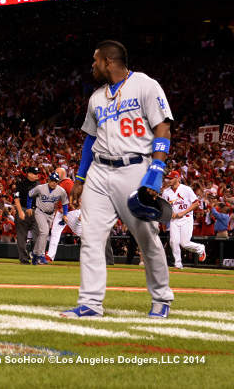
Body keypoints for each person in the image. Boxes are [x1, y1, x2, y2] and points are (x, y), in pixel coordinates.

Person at [63, 40, 174, 319]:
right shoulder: (96, 98)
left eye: (95, 60)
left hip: (135, 168)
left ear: (108, 62)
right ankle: (90, 303)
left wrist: (157, 167)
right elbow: (90, 139)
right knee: (91, 237)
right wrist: (79, 176)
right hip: (99, 172)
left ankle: (161, 298)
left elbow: (163, 126)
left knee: (146, 237)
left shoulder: (145, 85)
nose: (92, 65)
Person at [161, 171, 206, 269]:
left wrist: (183, 212)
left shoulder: (186, 189)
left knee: (184, 243)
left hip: (186, 218)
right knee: (173, 242)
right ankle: (178, 264)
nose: (169, 180)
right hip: (174, 220)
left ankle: (200, 248)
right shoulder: (166, 192)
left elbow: (196, 203)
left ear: (177, 178)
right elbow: (165, 206)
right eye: (169, 178)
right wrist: (169, 213)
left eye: (172, 178)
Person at [27, 171, 69, 265]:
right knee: (44, 232)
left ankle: (34, 253)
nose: (54, 182)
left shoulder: (61, 190)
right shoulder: (40, 188)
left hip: (51, 214)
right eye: (52, 180)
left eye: (56, 181)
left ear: (58, 182)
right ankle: (41, 255)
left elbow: (65, 203)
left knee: (43, 234)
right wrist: (29, 207)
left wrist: (65, 214)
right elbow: (30, 195)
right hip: (40, 212)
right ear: (48, 180)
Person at [47, 168, 81, 261]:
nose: (56, 174)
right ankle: (50, 256)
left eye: (58, 173)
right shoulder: (58, 184)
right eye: (55, 172)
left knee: (81, 233)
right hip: (61, 212)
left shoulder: (67, 182)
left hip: (71, 212)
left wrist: (80, 210)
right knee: (55, 233)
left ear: (63, 174)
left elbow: (75, 196)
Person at [13, 166, 40, 264]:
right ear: (29, 174)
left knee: (38, 235)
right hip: (23, 209)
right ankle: (24, 259)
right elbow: (16, 198)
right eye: (35, 173)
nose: (37, 175)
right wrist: (20, 211)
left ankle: (36, 256)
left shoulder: (39, 184)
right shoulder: (21, 184)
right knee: (22, 236)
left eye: (37, 173)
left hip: (36, 211)